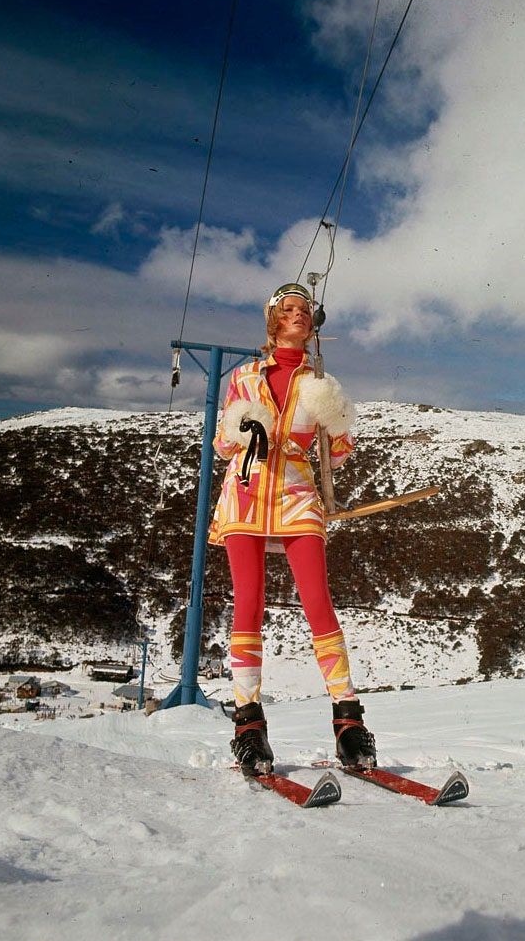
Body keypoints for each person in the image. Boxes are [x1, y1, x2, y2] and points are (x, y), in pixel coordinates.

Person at [208, 281, 376, 776]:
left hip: (298, 492)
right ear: (274, 320)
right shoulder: (244, 377)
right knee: (248, 601)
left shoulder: (321, 382)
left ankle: (348, 723)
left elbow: (338, 454)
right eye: (288, 308)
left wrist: (334, 419)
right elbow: (222, 445)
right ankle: (248, 728)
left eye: (304, 308)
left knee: (318, 601)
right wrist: (242, 425)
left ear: (312, 323)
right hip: (246, 490)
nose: (297, 314)